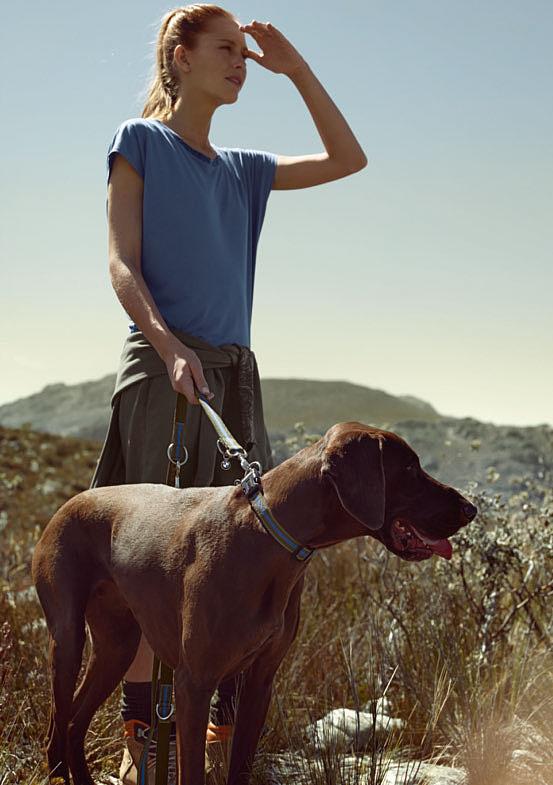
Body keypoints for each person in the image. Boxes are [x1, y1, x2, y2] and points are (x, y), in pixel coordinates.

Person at [91, 4, 367, 783]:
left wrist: (297, 69)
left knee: (249, 556)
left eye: (245, 57)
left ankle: (214, 734)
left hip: (234, 377)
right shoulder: (138, 141)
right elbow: (121, 264)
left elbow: (349, 159)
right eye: (226, 51)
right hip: (162, 365)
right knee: (150, 562)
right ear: (178, 58)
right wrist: (170, 345)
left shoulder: (243, 168)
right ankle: (137, 738)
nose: (239, 64)